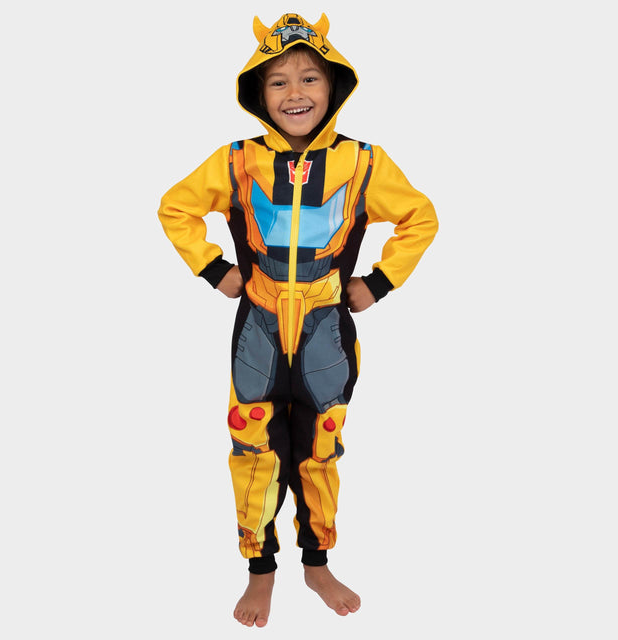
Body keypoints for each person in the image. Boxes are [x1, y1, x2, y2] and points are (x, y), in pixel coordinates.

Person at [158, 12, 438, 627]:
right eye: (278, 81)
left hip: (326, 334)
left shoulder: (363, 164)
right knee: (252, 446)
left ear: (334, 87)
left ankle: (317, 562)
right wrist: (215, 269)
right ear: (257, 94)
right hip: (257, 331)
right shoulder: (237, 161)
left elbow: (420, 217)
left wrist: (379, 283)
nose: (295, 93)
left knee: (320, 450)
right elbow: (176, 207)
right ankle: (260, 569)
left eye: (309, 78)